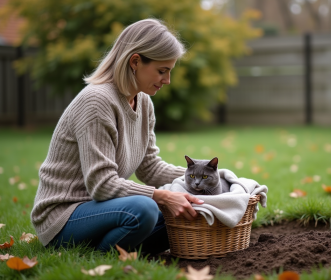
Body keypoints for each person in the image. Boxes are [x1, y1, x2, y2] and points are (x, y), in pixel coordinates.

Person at [30, 19, 204, 254]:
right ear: (135, 61)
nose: (167, 80)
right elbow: (101, 185)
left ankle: (118, 248)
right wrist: (160, 196)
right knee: (146, 209)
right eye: (162, 71)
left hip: (103, 210)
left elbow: (150, 169)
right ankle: (96, 255)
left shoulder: (144, 102)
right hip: (65, 216)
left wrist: (211, 178)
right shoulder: (96, 101)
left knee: (187, 215)